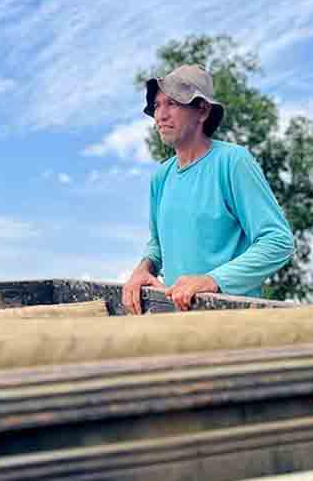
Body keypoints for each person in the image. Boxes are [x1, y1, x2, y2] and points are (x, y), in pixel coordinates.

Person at [122, 64, 294, 314]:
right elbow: (158, 243)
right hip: (177, 322)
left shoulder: (233, 162)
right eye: (157, 105)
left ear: (202, 110)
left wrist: (213, 280)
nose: (160, 115)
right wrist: (143, 268)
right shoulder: (161, 177)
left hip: (232, 321)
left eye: (172, 103)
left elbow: (278, 241)